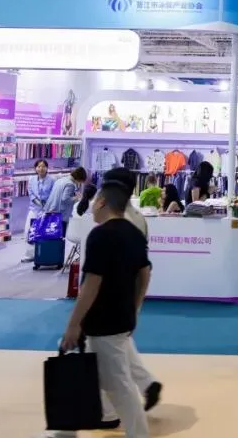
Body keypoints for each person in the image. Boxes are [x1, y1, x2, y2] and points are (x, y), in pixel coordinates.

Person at [60, 174, 160, 438]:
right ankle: (63, 431)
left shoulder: (100, 236)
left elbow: (91, 285)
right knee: (92, 377)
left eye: (94, 201)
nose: (92, 206)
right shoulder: (134, 233)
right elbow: (145, 274)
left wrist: (73, 324)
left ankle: (138, 434)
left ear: (102, 202)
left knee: (118, 386)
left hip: (102, 321)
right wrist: (134, 308)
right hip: (120, 318)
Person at [23, 159, 56, 262]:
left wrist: (47, 206)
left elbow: (53, 195)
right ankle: (30, 255)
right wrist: (38, 203)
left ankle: (43, 255)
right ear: (35, 168)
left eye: (43, 166)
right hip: (34, 208)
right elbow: (31, 194)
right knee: (29, 231)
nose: (41, 169)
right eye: (39, 166)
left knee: (44, 233)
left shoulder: (52, 180)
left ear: (47, 168)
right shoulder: (31, 179)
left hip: (47, 210)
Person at [45, 167, 88, 237]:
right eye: (80, 181)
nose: (80, 183)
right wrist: (77, 198)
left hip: (51, 210)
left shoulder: (61, 180)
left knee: (51, 236)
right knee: (60, 237)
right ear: (79, 178)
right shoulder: (70, 184)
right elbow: (65, 199)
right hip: (60, 215)